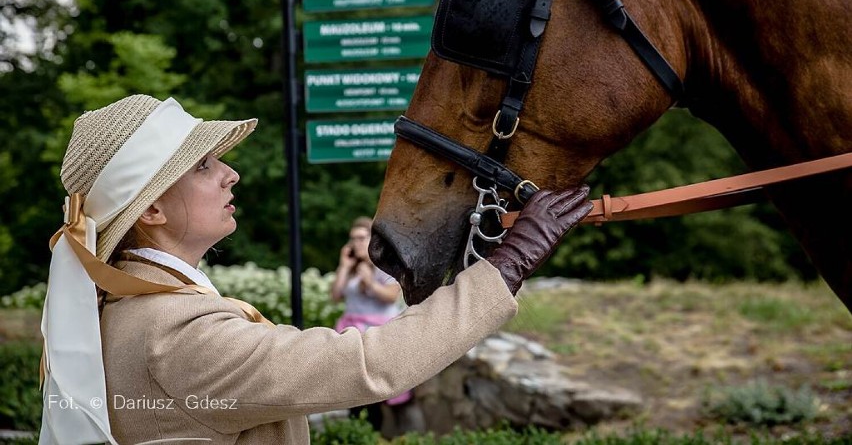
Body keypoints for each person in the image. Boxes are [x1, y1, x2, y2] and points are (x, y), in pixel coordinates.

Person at [39, 94, 592, 444]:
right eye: (204, 166)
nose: (230, 174)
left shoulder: (126, 313)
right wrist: (508, 265)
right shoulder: (173, 335)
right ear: (152, 209)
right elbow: (369, 364)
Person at [330, 217, 419, 435]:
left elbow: (391, 296)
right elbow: (335, 295)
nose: (356, 243)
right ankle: (358, 432)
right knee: (354, 388)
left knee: (376, 391)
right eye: (352, 239)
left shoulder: (386, 267)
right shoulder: (353, 268)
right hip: (352, 334)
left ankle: (378, 434)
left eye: (361, 238)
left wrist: (369, 283)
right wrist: (344, 266)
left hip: (379, 334)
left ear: (373, 240)